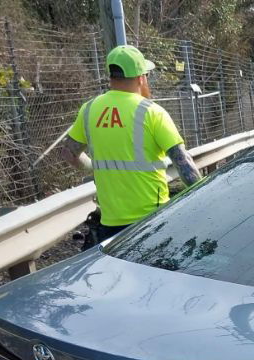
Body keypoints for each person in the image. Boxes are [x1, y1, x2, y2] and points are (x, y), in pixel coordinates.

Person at [62, 45, 201, 244]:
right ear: (141, 78)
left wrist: (93, 167)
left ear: (111, 76)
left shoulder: (89, 109)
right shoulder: (152, 112)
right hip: (152, 220)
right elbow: (184, 165)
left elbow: (69, 153)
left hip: (109, 222)